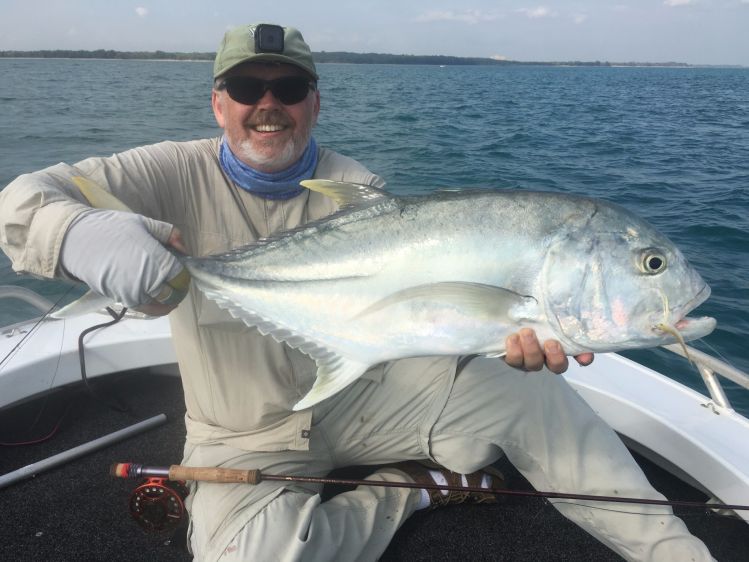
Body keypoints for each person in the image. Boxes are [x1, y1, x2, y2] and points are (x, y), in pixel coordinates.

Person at [0, 23, 714, 562]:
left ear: (315, 101)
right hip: (242, 430)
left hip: (368, 397)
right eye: (248, 90)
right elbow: (22, 203)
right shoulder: (165, 172)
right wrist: (77, 236)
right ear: (219, 103)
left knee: (529, 390)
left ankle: (673, 552)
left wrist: (506, 341)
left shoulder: (358, 190)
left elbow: (417, 316)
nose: (267, 106)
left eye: (288, 90)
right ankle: (409, 492)